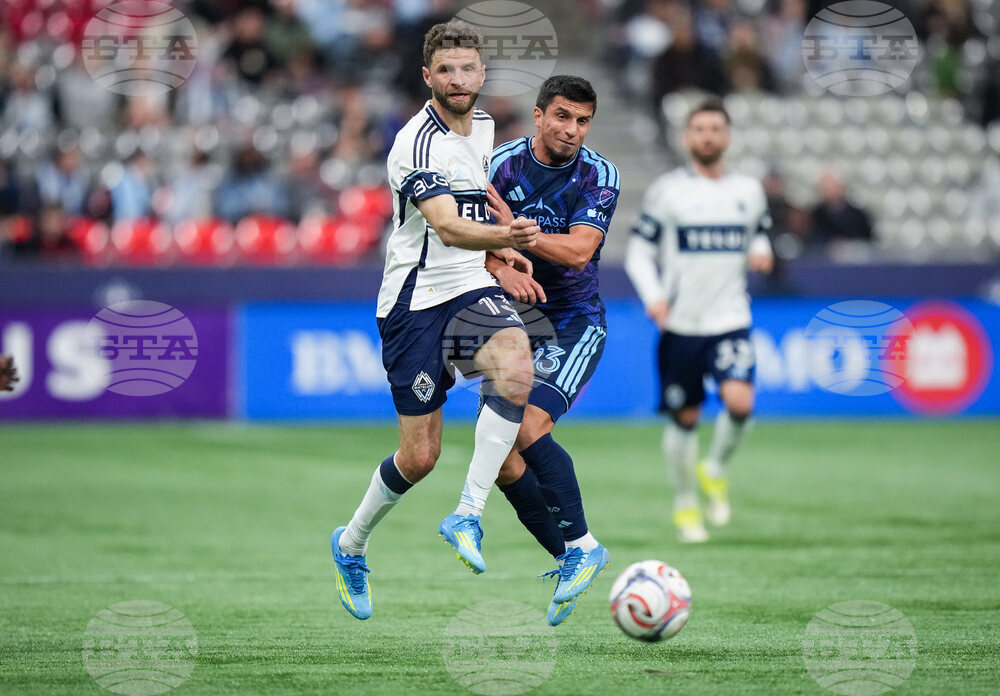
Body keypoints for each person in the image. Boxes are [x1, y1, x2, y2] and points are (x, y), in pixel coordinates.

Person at [331, 20, 540, 621]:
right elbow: (447, 225)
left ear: (481, 74)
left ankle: (468, 512)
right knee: (420, 456)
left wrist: (498, 252)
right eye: (445, 70)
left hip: (468, 287)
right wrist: (507, 234)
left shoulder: (484, 128)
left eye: (467, 69)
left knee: (515, 361)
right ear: (427, 77)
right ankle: (351, 544)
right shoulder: (413, 144)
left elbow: (473, 203)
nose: (457, 80)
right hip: (412, 302)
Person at [485, 75, 620, 625]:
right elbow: (470, 242)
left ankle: (585, 544)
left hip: (572, 321)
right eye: (562, 117)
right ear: (538, 116)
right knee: (499, 458)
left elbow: (580, 252)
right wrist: (496, 262)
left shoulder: (599, 175)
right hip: (516, 320)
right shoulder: (499, 166)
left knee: (524, 428)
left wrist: (519, 237)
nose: (571, 130)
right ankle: (569, 557)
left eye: (582, 121)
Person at [625, 99, 773, 543]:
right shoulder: (669, 191)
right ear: (687, 138)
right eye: (699, 129)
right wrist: (654, 297)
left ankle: (716, 467)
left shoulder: (749, 190)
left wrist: (762, 248)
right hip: (682, 324)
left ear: (726, 137)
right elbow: (637, 251)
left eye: (715, 129)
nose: (707, 136)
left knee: (741, 403)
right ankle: (686, 504)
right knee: (684, 417)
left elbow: (760, 231)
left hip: (731, 318)